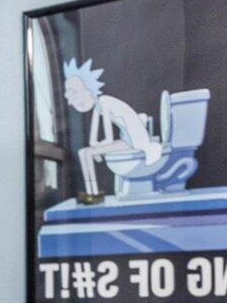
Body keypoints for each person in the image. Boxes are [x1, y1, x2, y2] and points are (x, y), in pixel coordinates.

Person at [61, 58, 160, 200]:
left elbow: (109, 139)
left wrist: (98, 149)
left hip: (135, 140)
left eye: (78, 98)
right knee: (84, 152)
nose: (77, 104)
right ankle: (91, 193)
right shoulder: (98, 107)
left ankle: (93, 194)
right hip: (127, 138)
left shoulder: (104, 102)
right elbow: (93, 139)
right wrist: (96, 147)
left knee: (86, 153)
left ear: (88, 91)